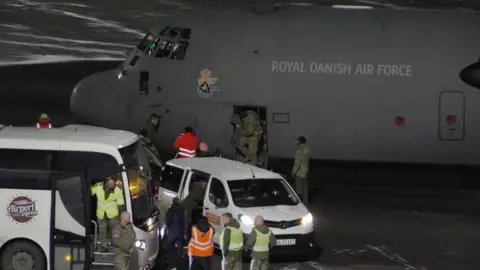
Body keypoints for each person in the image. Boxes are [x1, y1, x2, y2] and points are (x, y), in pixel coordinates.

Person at [91, 176, 125, 251]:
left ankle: (115, 245)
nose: (112, 184)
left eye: (113, 183)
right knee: (102, 231)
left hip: (113, 215)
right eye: (110, 183)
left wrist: (122, 213)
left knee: (114, 231)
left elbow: (120, 202)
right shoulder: (98, 187)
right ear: (106, 182)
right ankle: (104, 246)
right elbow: (90, 191)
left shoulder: (117, 191)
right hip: (101, 214)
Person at [163, 197, 187, 270]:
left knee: (170, 249)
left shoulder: (170, 211)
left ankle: (172, 265)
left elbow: (167, 222)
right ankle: (179, 265)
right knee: (179, 250)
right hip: (180, 233)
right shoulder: (182, 211)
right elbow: (185, 222)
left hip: (172, 233)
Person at [292, 136, 310, 205]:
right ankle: (306, 204)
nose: (296, 142)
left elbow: (297, 164)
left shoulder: (299, 151)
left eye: (297, 141)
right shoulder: (308, 150)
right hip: (305, 172)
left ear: (300, 142)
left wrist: (293, 172)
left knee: (299, 190)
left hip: (299, 173)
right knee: (305, 189)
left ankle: (300, 205)